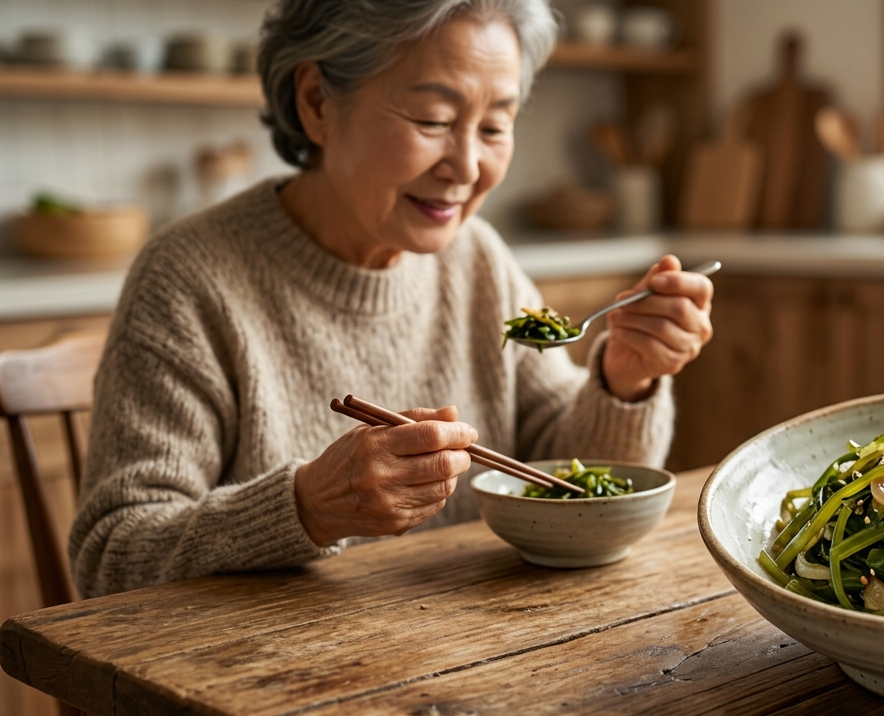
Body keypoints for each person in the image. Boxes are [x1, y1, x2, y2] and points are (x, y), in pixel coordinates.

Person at [69, 0, 713, 598]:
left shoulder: (478, 258)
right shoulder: (188, 277)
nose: (467, 166)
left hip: (478, 647)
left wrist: (625, 381)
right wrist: (305, 508)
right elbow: (110, 558)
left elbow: (566, 477)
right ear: (317, 103)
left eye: (495, 126)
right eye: (433, 120)